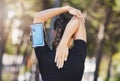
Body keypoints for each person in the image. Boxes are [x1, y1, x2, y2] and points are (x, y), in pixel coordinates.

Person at [33, 6, 87, 81]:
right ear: (74, 35)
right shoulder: (78, 55)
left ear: (54, 32)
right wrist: (64, 42)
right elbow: (79, 19)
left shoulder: (43, 54)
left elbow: (37, 17)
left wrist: (66, 8)